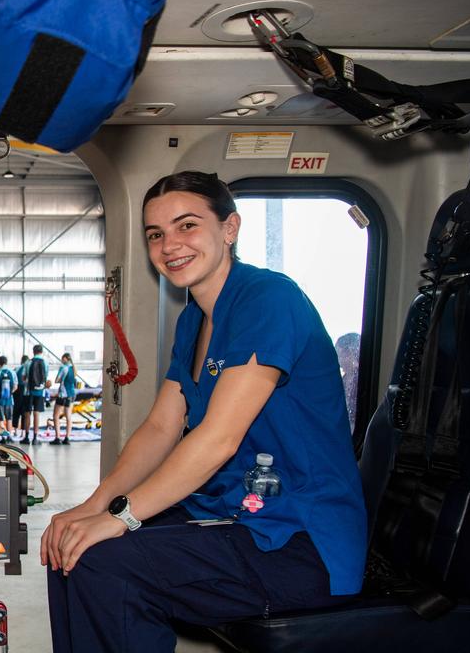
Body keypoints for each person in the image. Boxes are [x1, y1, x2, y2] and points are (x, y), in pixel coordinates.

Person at [42, 171, 367, 652]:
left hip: (298, 538)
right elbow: (160, 427)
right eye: (156, 234)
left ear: (229, 228)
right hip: (231, 513)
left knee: (104, 561)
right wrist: (94, 506)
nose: (169, 245)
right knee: (69, 545)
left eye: (187, 226)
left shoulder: (268, 299)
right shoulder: (193, 319)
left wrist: (122, 518)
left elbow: (219, 439)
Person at [23, 344, 50, 444]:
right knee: (36, 414)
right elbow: (46, 377)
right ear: (41, 352)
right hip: (40, 392)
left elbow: (23, 378)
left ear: (33, 351)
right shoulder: (45, 363)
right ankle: (35, 438)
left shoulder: (28, 362)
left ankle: (26, 437)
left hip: (28, 391)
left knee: (27, 414)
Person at [50, 352, 77, 445]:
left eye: (62, 359)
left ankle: (57, 437)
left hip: (63, 394)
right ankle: (67, 437)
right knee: (68, 416)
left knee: (56, 416)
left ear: (66, 358)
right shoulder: (73, 368)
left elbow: (57, 380)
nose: (61, 360)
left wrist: (61, 380)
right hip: (72, 394)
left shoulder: (63, 368)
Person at [0, 355, 17, 436]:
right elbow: (15, 387)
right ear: (6, 362)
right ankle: (9, 436)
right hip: (10, 400)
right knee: (9, 418)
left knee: (0, 419)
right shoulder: (12, 372)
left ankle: (4, 437)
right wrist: (9, 393)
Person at [13, 354, 31, 440]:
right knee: (24, 412)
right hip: (25, 391)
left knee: (16, 411)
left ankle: (15, 431)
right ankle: (23, 432)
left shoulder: (16, 369)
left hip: (17, 391)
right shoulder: (28, 367)